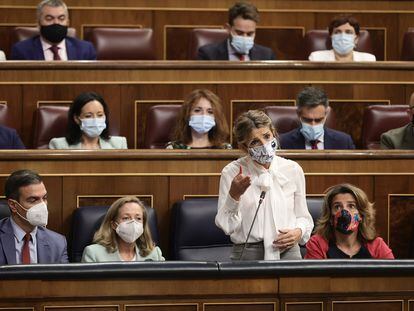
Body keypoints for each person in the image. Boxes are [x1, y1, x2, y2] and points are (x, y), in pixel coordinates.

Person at [215, 110, 313, 260]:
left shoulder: (293, 169)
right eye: (255, 142)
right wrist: (234, 196)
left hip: (288, 251)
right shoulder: (232, 172)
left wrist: (299, 231)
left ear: (273, 133)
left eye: (267, 136)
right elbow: (227, 226)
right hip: (249, 252)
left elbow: (304, 217)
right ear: (243, 147)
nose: (264, 145)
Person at [305, 183, 394, 259]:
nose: (344, 211)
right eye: (337, 207)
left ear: (360, 215)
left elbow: (393, 277)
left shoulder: (377, 246)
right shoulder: (317, 244)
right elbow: (315, 279)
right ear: (330, 218)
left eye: (351, 206)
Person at [0, 170, 68, 264]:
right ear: (13, 205)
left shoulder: (57, 243)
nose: (42, 205)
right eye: (33, 200)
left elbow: (63, 278)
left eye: (44, 198)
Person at [82, 196, 164, 262]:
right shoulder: (93, 254)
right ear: (114, 225)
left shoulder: (154, 254)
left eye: (138, 218)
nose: (133, 223)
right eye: (126, 218)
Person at [10, 0, 96, 61]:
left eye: (61, 18)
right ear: (39, 23)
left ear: (68, 22)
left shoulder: (85, 49)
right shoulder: (22, 50)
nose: (56, 22)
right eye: (49, 19)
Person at [280, 87, 355, 150]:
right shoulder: (283, 143)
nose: (313, 125)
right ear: (298, 114)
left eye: (318, 120)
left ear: (326, 114)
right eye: (307, 120)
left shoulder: (344, 142)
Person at [197, 2, 275, 61]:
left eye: (249, 34)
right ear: (228, 28)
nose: (245, 38)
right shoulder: (208, 54)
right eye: (239, 33)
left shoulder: (267, 55)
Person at [49, 92, 127, 149]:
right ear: (76, 119)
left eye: (100, 115)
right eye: (88, 116)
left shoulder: (119, 144)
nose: (95, 120)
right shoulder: (58, 145)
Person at [166, 89, 231, 149]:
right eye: (197, 110)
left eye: (210, 112)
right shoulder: (173, 148)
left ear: (216, 118)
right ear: (187, 114)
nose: (204, 115)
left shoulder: (224, 148)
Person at [308, 15, 376, 62]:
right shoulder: (316, 58)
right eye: (337, 32)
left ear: (356, 39)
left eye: (348, 32)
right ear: (331, 36)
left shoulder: (368, 60)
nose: (343, 36)